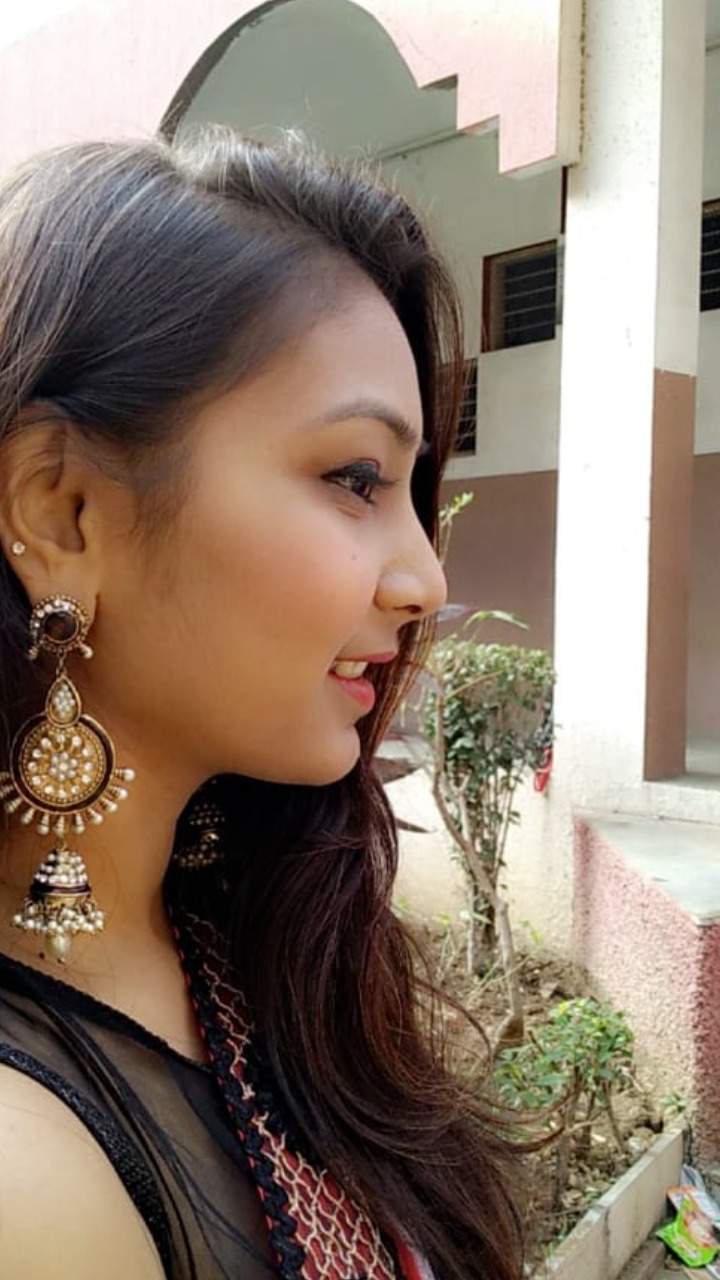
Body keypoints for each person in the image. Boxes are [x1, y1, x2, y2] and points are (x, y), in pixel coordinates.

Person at [0, 127, 523, 1280]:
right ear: (61, 510)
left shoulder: (241, 922)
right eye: (355, 478)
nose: (424, 579)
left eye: (410, 488)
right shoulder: (27, 1186)